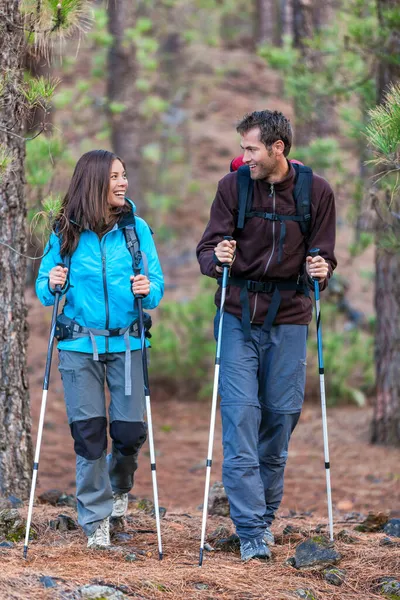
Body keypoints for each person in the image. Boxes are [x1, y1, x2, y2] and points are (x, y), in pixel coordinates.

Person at [196, 110, 336, 562]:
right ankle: (252, 530)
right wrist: (217, 254)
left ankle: (265, 513)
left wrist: (323, 268)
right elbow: (206, 250)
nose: (244, 157)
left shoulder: (316, 192)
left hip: (291, 318)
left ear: (278, 148)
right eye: (243, 148)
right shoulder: (231, 188)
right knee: (240, 420)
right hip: (236, 317)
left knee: (280, 419)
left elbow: (324, 257)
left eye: (251, 148)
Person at [36, 150, 164, 549]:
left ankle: (120, 487)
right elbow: (43, 288)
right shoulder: (64, 231)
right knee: (89, 434)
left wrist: (148, 289)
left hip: (127, 342)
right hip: (78, 344)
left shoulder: (136, 229)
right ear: (94, 182)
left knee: (128, 431)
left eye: (124, 175)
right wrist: (53, 280)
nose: (123, 183)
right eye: (114, 177)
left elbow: (156, 284)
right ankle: (96, 520)